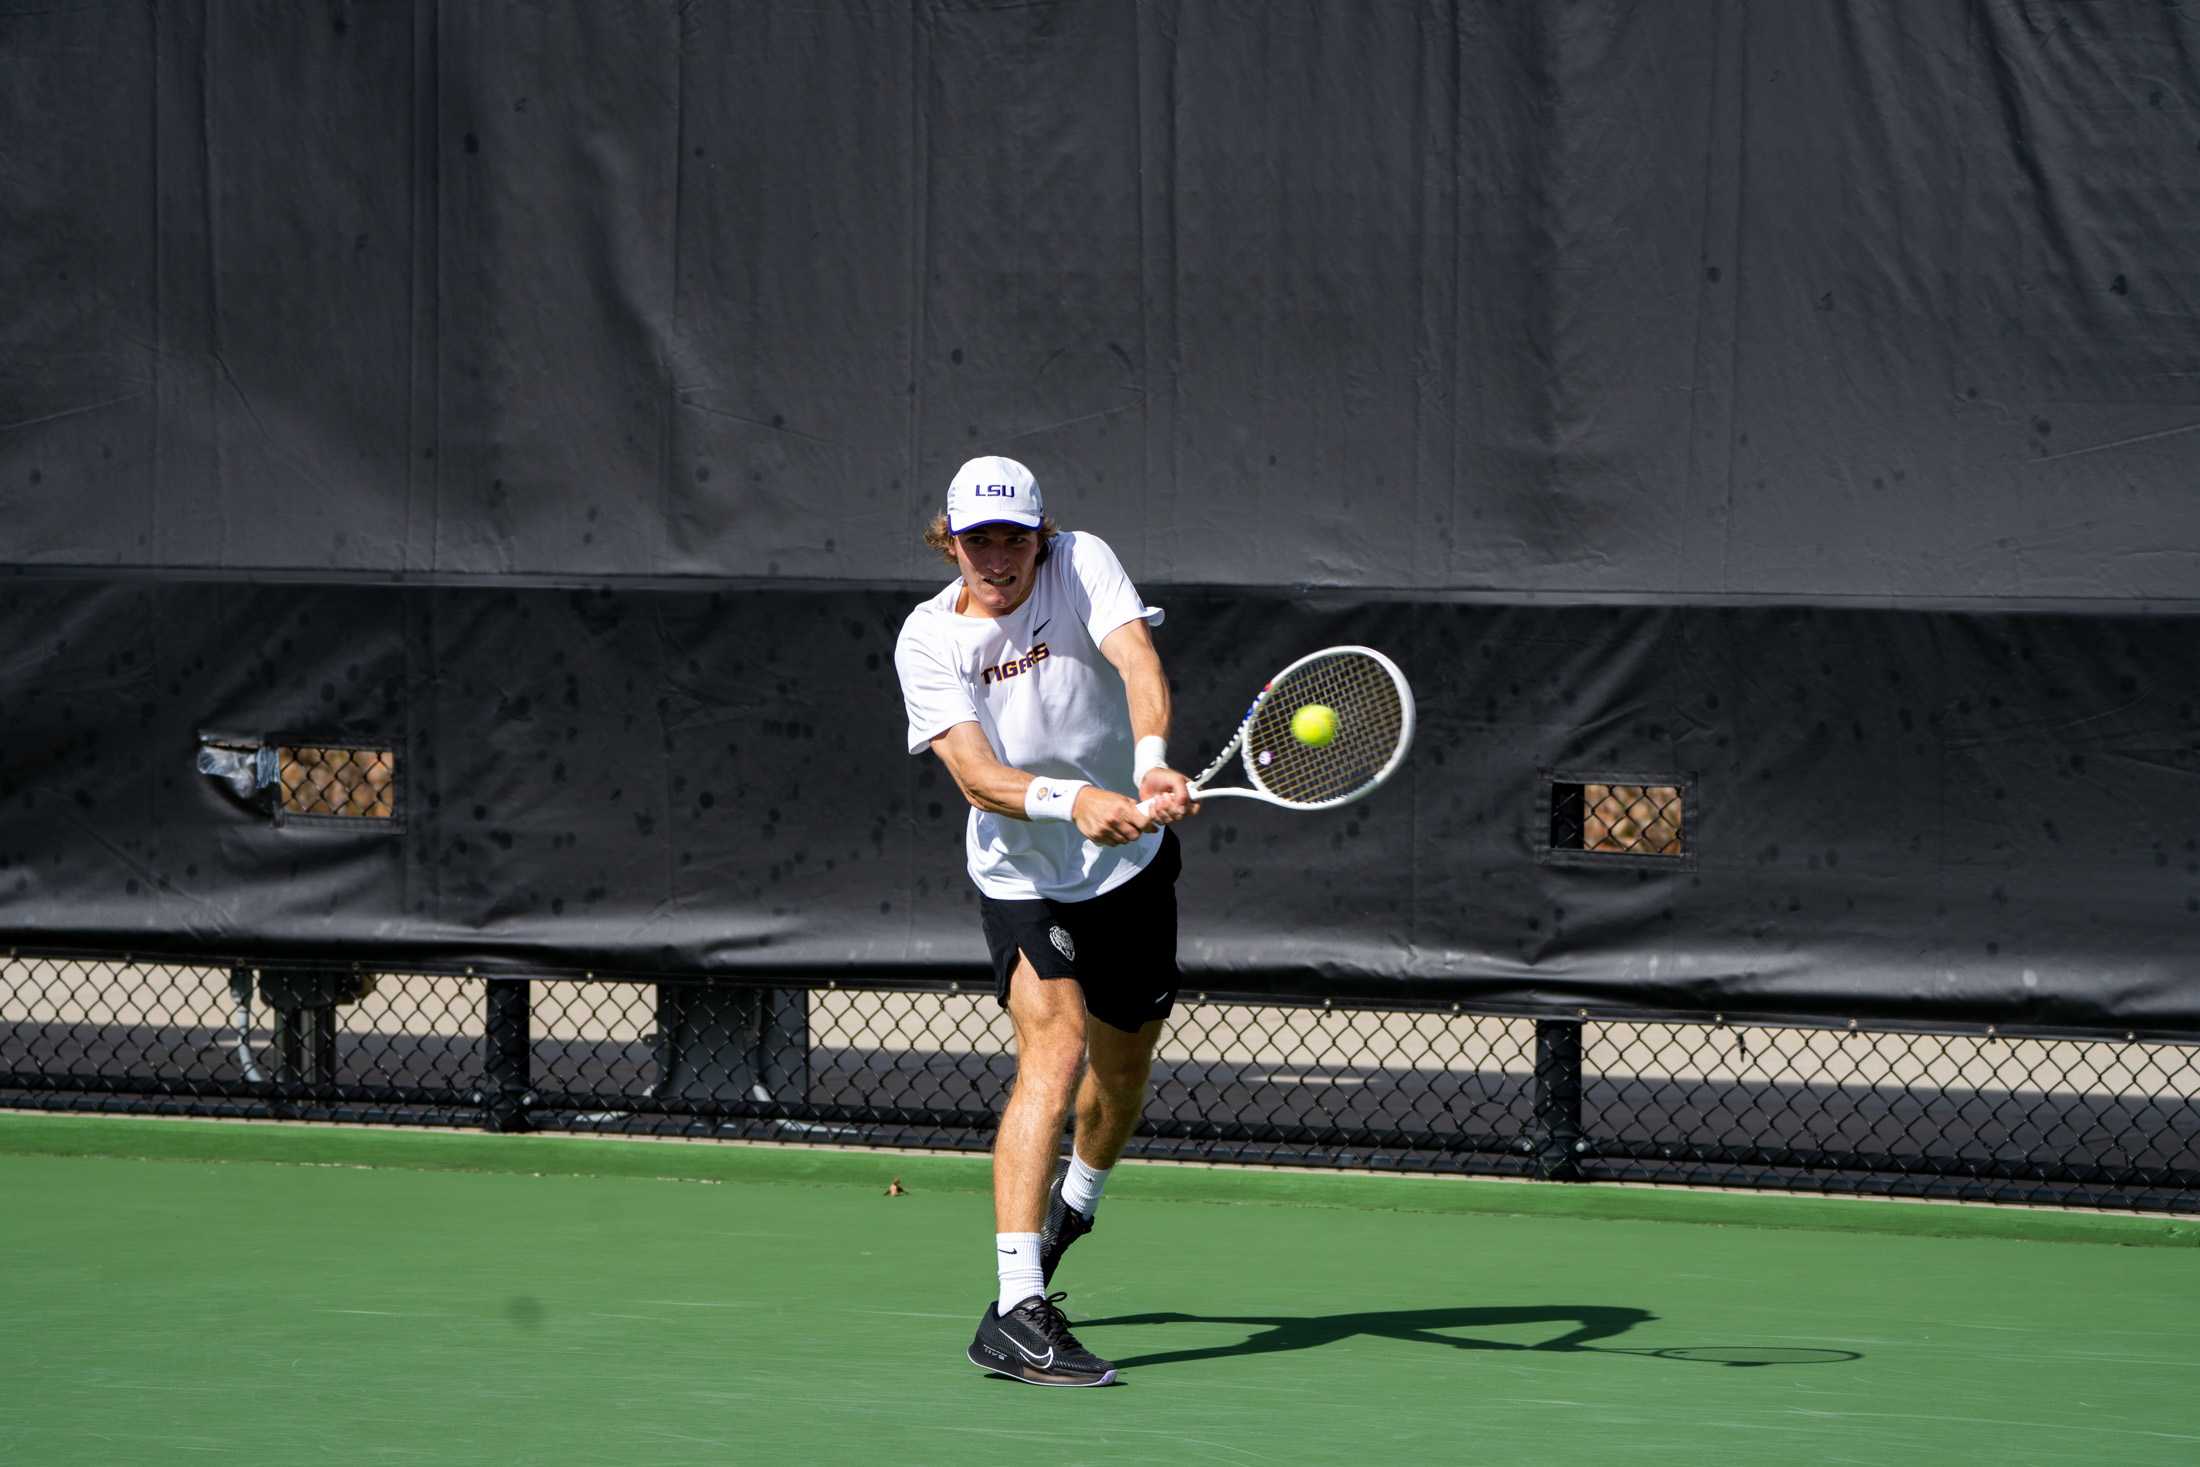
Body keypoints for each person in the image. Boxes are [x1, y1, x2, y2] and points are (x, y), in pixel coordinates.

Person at [894, 455, 1198, 1388]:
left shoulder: (1081, 562)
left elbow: (1135, 656)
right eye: (976, 538)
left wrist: (1148, 764)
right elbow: (979, 778)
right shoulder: (927, 640)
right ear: (947, 538)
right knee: (1053, 1052)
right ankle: (1018, 1308)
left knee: (1123, 1071)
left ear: (1042, 533)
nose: (996, 556)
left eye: (1013, 537)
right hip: (1023, 873)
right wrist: (1074, 801)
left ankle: (1078, 1199)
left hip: (1133, 866)